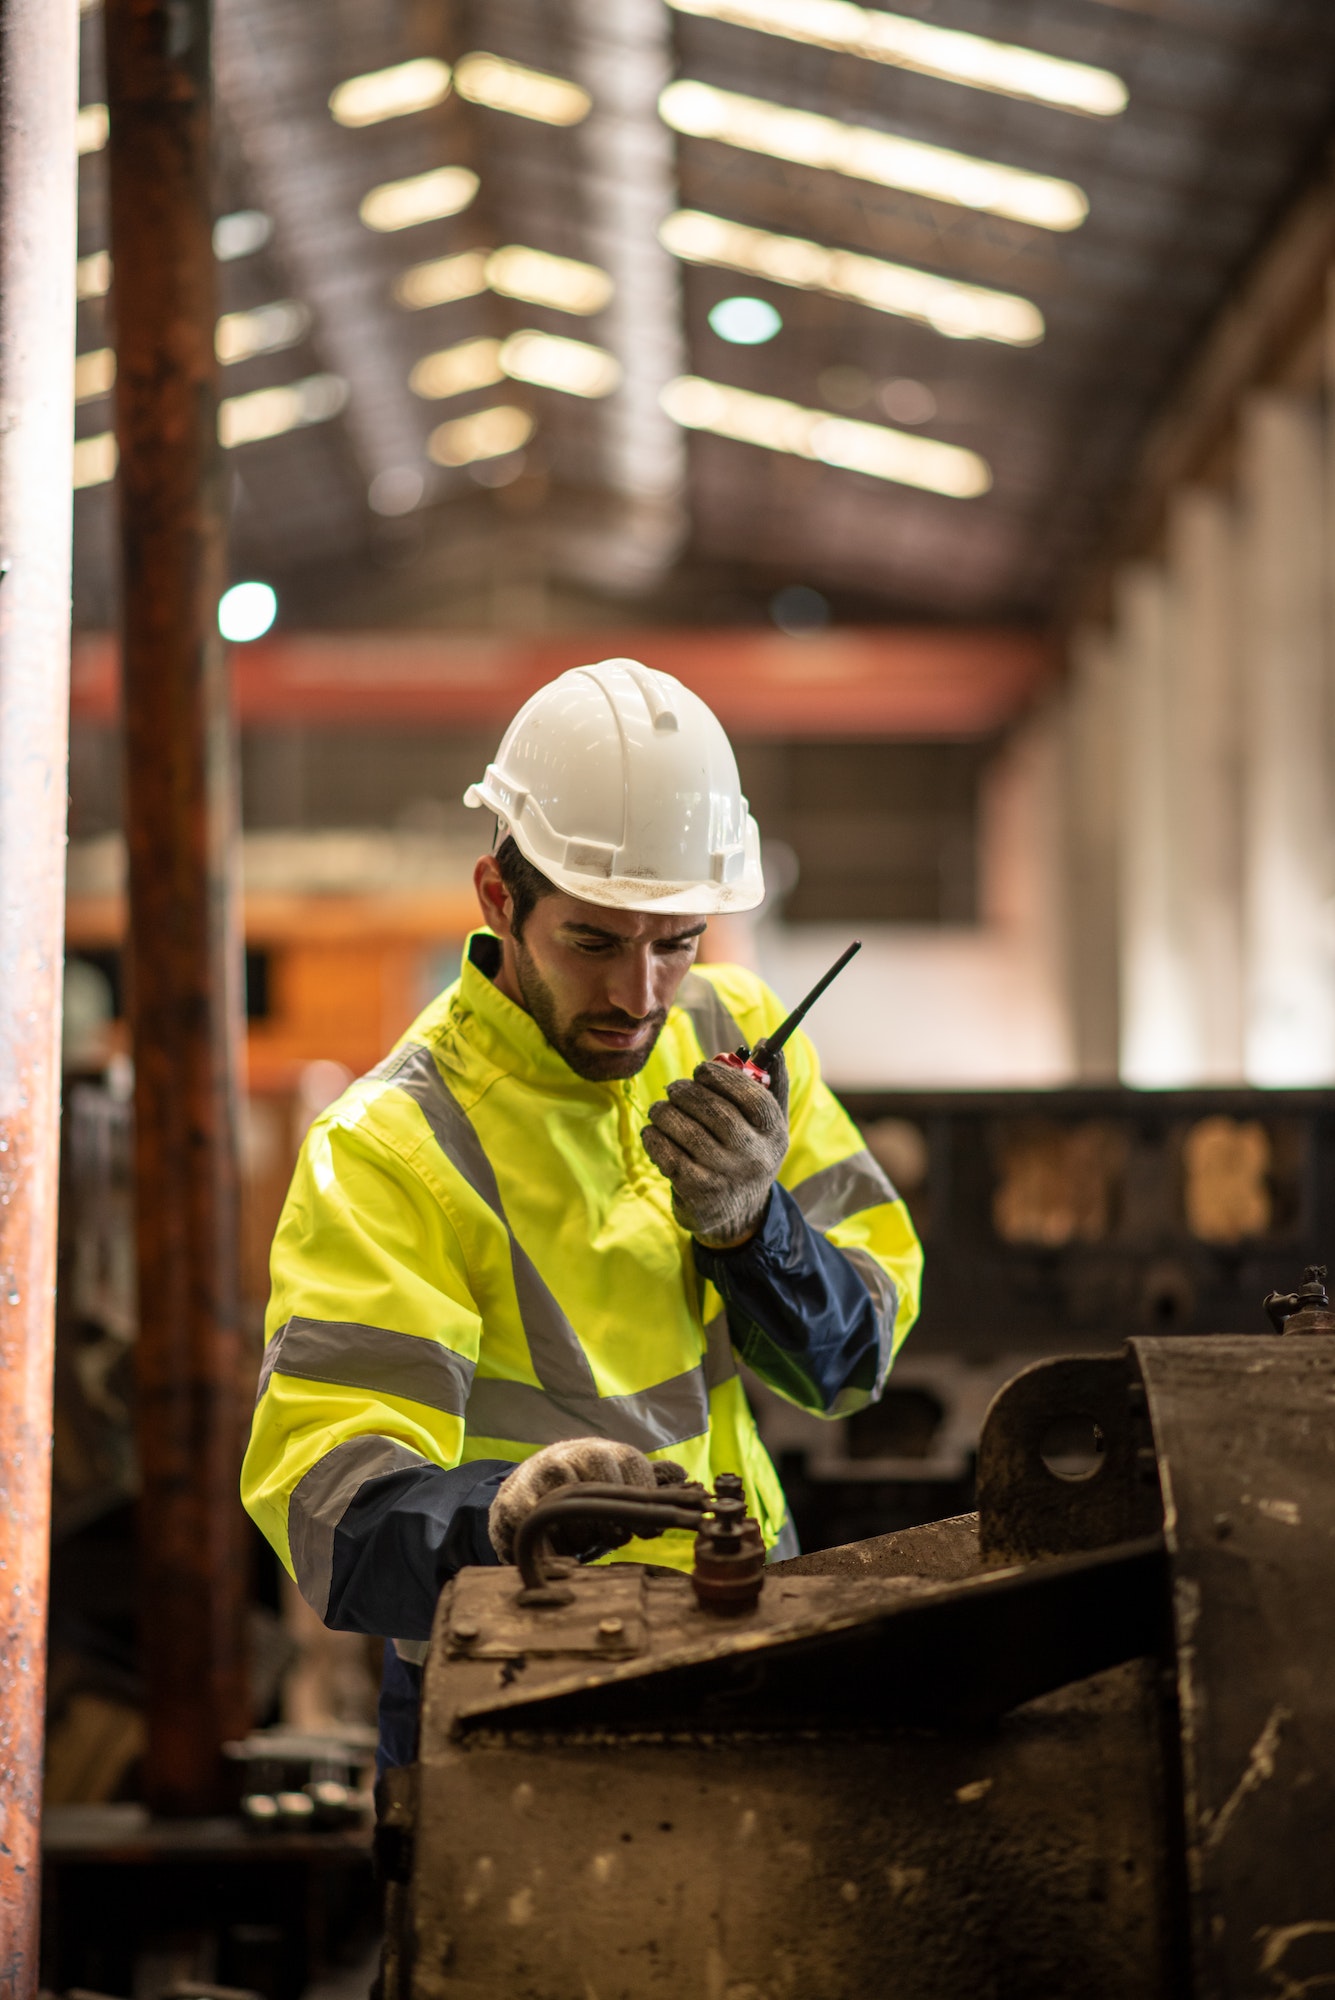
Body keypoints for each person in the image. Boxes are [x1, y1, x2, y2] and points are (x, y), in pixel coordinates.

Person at [240, 658, 923, 1768]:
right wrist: (502, 1514)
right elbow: (330, 1513)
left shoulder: (736, 1036)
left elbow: (856, 1360)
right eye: (594, 942)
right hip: (509, 1696)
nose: (640, 997)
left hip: (747, 1635)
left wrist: (758, 1234)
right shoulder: (393, 1147)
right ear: (499, 898)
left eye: (676, 941)